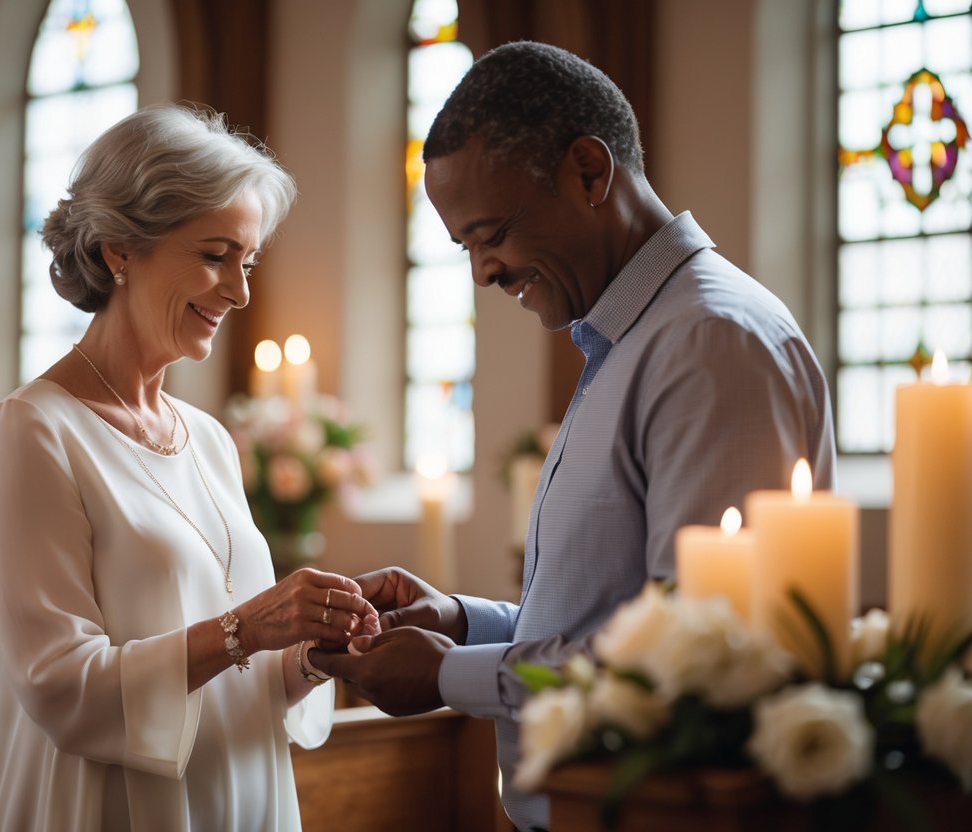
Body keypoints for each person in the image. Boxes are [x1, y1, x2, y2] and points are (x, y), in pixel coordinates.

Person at [310, 41, 836, 832]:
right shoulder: (627, 343)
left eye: (489, 236)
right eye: (465, 248)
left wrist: (449, 674)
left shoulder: (709, 342)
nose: (482, 273)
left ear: (589, 173)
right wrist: (459, 621)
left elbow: (695, 661)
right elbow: (612, 620)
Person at [0, 103, 378, 831]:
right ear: (120, 249)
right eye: (215, 256)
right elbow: (56, 682)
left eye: (246, 262)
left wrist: (313, 650)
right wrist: (246, 628)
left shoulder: (210, 440)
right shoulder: (30, 432)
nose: (239, 292)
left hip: (242, 793)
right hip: (112, 804)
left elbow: (240, 673)